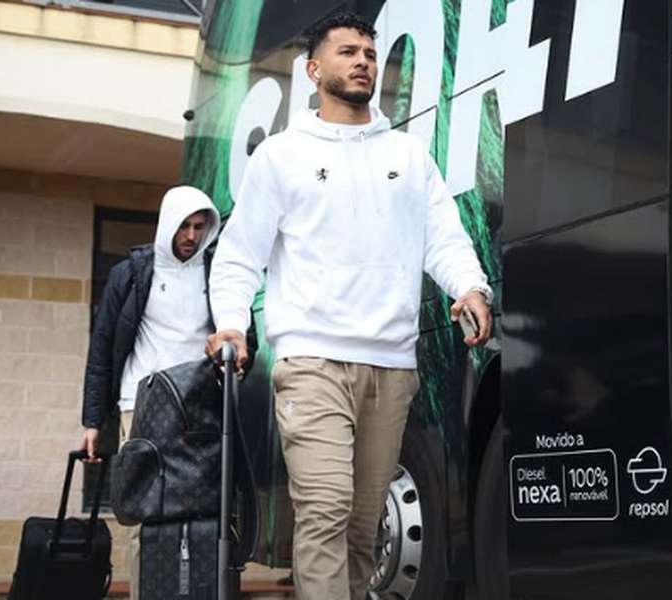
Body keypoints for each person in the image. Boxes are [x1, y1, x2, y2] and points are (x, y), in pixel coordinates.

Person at [206, 11, 493, 600]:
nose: (363, 60)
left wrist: (469, 286)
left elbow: (443, 234)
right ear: (314, 70)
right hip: (313, 364)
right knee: (325, 512)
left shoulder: (409, 156)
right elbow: (239, 255)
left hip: (392, 369)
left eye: (369, 51)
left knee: (365, 530)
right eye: (347, 52)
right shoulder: (281, 156)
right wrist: (231, 324)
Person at [80, 185, 221, 600]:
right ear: (167, 226)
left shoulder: (217, 272)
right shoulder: (133, 273)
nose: (191, 236)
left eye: (199, 227)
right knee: (145, 513)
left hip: (199, 409)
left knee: (203, 513)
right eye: (184, 227)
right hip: (139, 407)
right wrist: (91, 421)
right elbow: (103, 346)